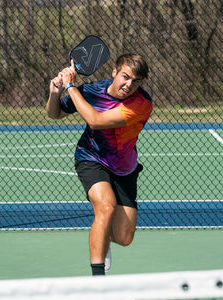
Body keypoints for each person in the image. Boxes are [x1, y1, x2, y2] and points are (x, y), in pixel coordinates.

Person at [46, 53, 152, 276]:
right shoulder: (92, 90)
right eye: (125, 76)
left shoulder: (141, 104)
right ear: (114, 71)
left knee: (124, 238)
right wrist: (55, 93)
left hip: (125, 168)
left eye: (136, 81)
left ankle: (103, 238)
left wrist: (71, 86)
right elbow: (55, 114)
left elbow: (96, 121)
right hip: (91, 158)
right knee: (105, 206)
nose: (129, 84)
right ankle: (97, 280)